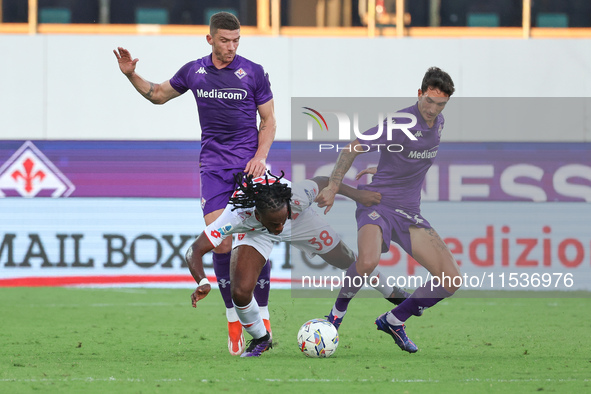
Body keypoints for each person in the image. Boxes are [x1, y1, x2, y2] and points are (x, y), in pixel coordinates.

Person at [113, 12, 276, 356]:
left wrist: (261, 156)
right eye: (224, 41)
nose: (230, 47)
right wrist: (131, 76)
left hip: (250, 169)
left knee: (255, 242)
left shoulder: (254, 72)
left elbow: (269, 120)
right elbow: (157, 94)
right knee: (220, 243)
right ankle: (234, 319)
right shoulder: (194, 72)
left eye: (236, 41)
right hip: (214, 169)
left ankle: (262, 316)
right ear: (210, 39)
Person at [186, 171, 412, 357]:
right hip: (256, 232)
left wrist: (358, 196)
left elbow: (325, 181)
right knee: (240, 292)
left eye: (280, 221)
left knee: (346, 259)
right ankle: (261, 338)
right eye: (275, 223)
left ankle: (389, 290)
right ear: (256, 213)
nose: (279, 228)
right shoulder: (237, 214)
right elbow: (194, 250)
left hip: (299, 221)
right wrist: (203, 281)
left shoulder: (297, 196)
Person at [315, 67, 461, 353]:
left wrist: (383, 165)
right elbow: (351, 149)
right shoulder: (400, 122)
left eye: (440, 104)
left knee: (451, 280)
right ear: (419, 94)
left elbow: (411, 157)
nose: (433, 109)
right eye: (429, 101)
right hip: (378, 203)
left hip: (408, 212)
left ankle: (394, 320)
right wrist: (333, 186)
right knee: (367, 262)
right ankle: (335, 316)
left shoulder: (439, 123)